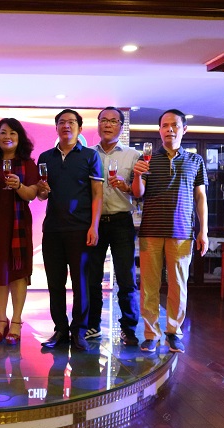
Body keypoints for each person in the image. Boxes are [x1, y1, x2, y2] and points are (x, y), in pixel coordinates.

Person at [131, 109, 209, 354]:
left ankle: (173, 332)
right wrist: (138, 174)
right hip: (151, 230)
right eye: (165, 125)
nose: (169, 130)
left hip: (183, 232)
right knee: (149, 286)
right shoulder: (147, 159)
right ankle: (150, 334)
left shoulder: (196, 161)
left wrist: (204, 231)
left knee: (178, 284)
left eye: (174, 125)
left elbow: (201, 197)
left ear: (184, 129)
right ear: (159, 130)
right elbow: (138, 193)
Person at [36, 109, 103, 351]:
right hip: (53, 229)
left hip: (80, 229)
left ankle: (79, 331)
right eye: (62, 122)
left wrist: (94, 226)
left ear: (80, 128)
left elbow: (97, 194)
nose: (66, 126)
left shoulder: (90, 156)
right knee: (55, 283)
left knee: (81, 284)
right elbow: (42, 195)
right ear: (56, 128)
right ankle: (61, 330)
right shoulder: (45, 157)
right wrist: (42, 191)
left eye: (71, 122)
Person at [86, 107, 141, 347]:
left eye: (113, 121)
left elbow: (141, 193)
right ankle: (92, 324)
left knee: (126, 278)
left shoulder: (134, 155)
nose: (108, 124)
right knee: (92, 277)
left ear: (120, 126)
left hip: (121, 222)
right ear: (98, 124)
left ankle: (128, 328)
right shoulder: (87, 154)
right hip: (94, 222)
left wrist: (126, 187)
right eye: (104, 120)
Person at [0, 118, 39, 345]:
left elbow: (32, 194)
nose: (7, 137)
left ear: (20, 138)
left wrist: (20, 186)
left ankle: (16, 321)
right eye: (3, 132)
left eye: (12, 133)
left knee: (18, 274)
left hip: (19, 226)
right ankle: (1, 320)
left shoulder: (27, 164)